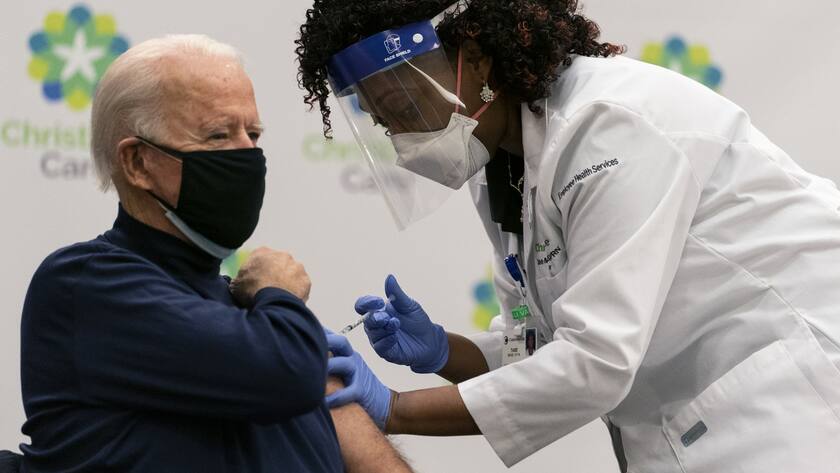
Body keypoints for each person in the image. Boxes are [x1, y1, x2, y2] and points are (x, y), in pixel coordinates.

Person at [295, 1, 840, 471]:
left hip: (792, 395)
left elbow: (594, 362)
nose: (401, 136)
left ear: (477, 58)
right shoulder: (507, 166)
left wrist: (393, 409)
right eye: (384, 120)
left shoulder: (605, 124)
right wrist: (443, 350)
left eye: (403, 108)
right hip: (702, 420)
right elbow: (539, 351)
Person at [20, 34, 411, 473]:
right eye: (219, 135)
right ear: (137, 163)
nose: (248, 155)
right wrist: (280, 297)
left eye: (254, 134)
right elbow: (285, 375)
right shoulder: (87, 284)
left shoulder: (257, 315)